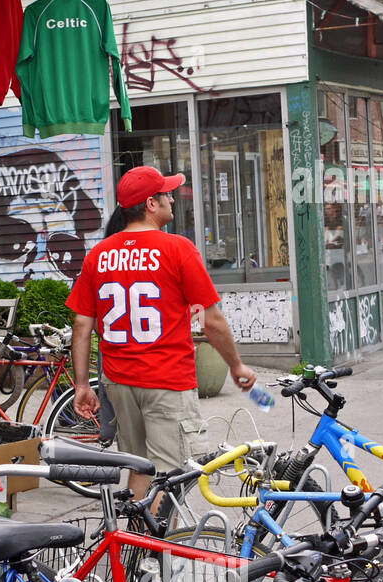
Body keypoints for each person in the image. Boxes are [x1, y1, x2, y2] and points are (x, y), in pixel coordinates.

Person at [69, 165, 257, 500]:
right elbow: (209, 320)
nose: (172, 198)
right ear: (150, 204)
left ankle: (139, 551)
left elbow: (83, 325)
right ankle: (158, 550)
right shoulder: (177, 249)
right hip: (166, 380)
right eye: (166, 194)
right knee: (170, 476)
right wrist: (236, 366)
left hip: (119, 383)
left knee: (141, 469)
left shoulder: (99, 255)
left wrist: (83, 384)